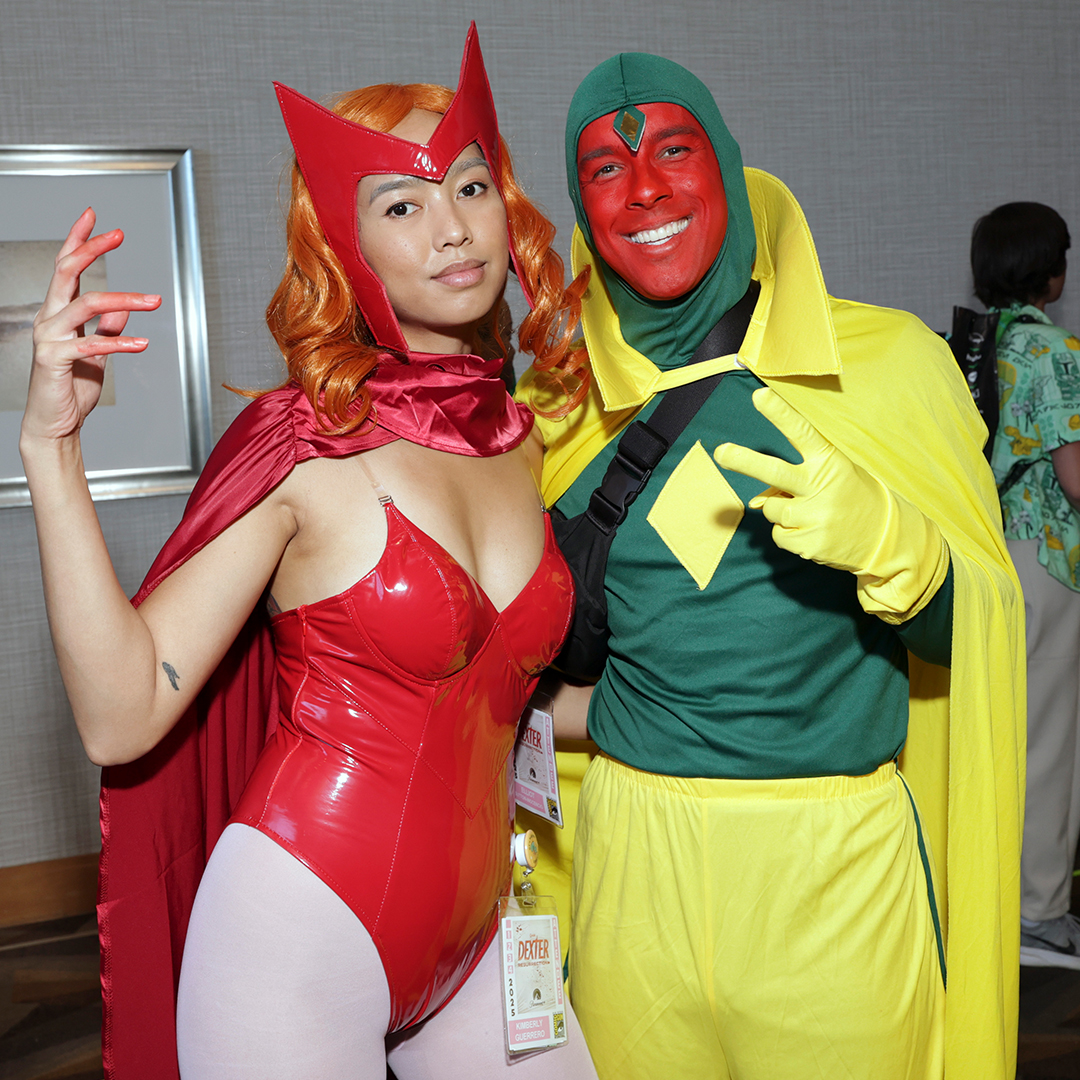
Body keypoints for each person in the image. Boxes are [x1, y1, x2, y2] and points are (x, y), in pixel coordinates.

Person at [20, 26, 597, 1080]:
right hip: (298, 934)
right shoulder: (303, 442)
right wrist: (52, 449)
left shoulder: (518, 438)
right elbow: (121, 714)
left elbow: (496, 691)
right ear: (344, 241)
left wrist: (719, 714)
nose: (452, 229)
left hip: (482, 935)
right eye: (401, 206)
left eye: (470, 189)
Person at [516, 53, 1024, 1080]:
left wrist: (900, 550)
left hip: (830, 871)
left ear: (728, 166)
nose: (644, 188)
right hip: (632, 865)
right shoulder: (557, 405)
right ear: (582, 209)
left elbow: (980, 643)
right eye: (607, 168)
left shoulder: (884, 363)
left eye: (673, 149)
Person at [974, 202, 1080, 968]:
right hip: (1046, 560)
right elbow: (1075, 478)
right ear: (1052, 270)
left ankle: (992, 903)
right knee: (1047, 743)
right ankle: (1039, 914)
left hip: (987, 561)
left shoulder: (972, 345)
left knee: (996, 738)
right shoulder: (1055, 351)